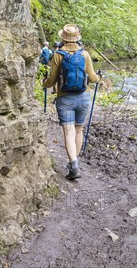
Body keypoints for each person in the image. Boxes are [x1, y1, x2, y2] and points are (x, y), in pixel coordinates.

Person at [43, 24, 100, 180]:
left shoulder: (57, 55)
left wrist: (44, 83)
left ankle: (73, 164)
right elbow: (93, 78)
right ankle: (76, 160)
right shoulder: (85, 55)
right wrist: (99, 77)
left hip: (65, 97)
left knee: (69, 131)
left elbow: (51, 81)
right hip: (83, 97)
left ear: (63, 38)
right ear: (77, 37)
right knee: (79, 129)